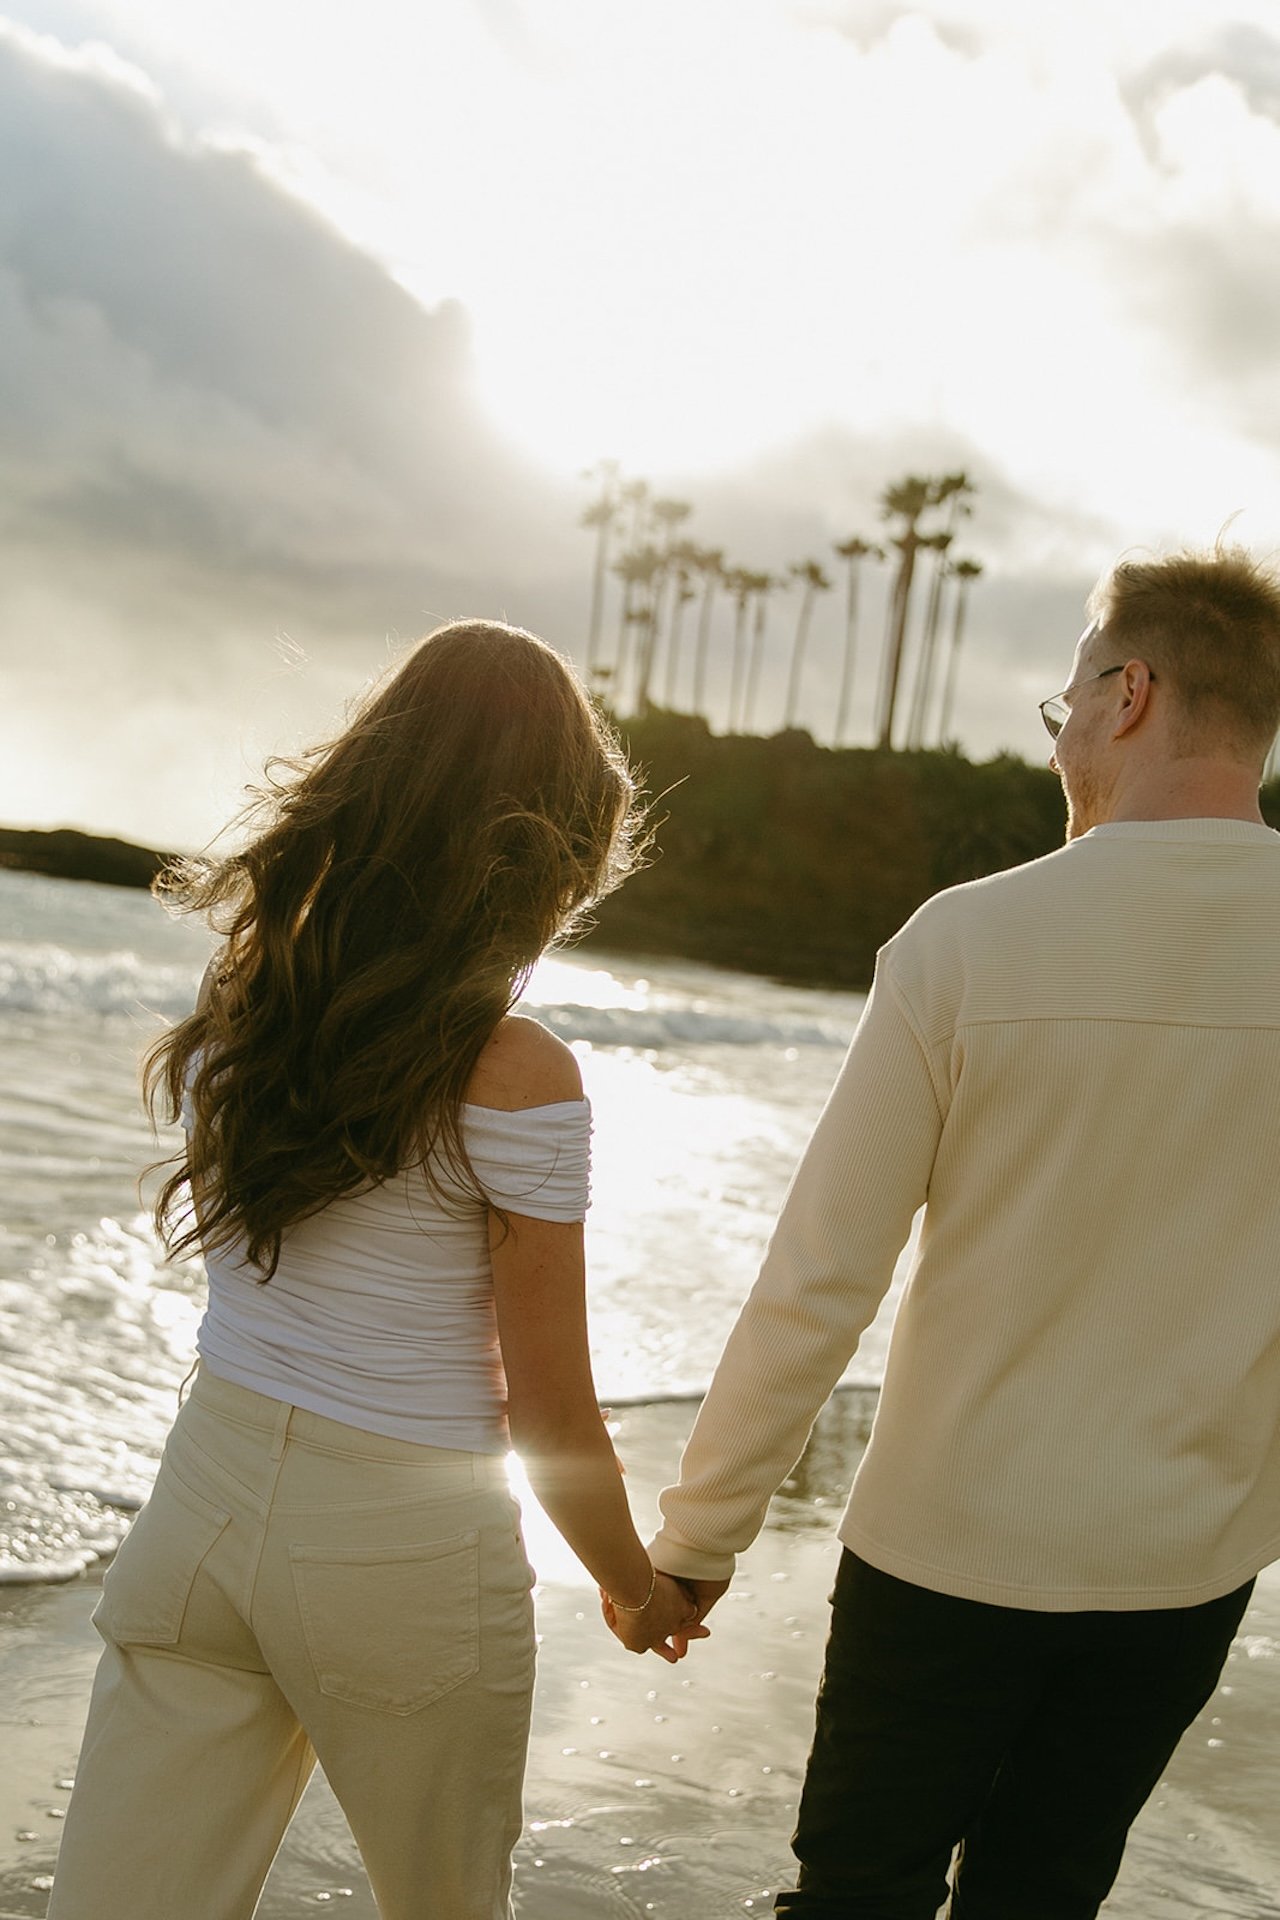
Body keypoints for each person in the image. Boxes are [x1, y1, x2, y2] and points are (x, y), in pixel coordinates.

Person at [618, 547, 1280, 1917]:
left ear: (1128, 692)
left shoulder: (968, 942)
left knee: (858, 1895)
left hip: (944, 1555)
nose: (1064, 745)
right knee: (1045, 1898)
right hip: (1184, 1564)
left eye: (1064, 710)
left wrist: (698, 1543)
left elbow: (821, 1281)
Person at [48, 619, 699, 1920]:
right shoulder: (519, 1073)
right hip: (401, 1559)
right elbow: (550, 1410)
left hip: (200, 1513)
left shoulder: (258, 995)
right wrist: (638, 1588)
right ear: (549, 846)